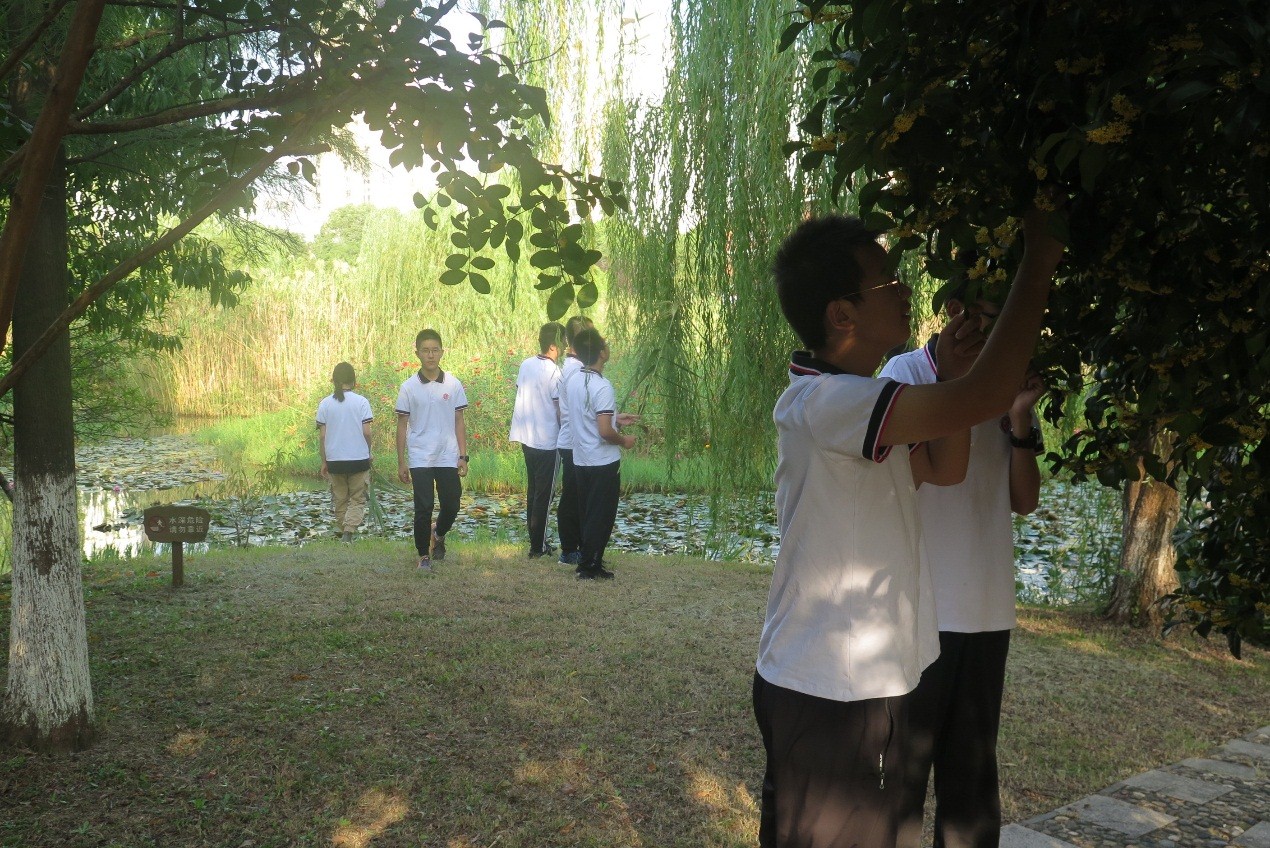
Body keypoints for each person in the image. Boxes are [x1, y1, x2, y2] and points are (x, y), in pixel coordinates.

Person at [753, 207, 1064, 848]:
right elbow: (986, 397)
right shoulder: (826, 404)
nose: (906, 295)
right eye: (890, 286)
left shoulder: (862, 400)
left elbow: (945, 469)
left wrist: (947, 377)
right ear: (843, 315)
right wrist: (1038, 262)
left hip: (870, 682)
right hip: (827, 690)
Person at [879, 297, 1045, 848]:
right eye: (973, 308)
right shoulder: (902, 375)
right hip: (917, 610)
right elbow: (899, 482)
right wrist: (950, 384)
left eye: (999, 310)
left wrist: (1019, 417)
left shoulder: (1006, 384)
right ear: (951, 307)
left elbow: (1023, 499)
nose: (986, 323)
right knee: (899, 781)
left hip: (986, 607)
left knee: (971, 784)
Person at [564, 327, 638, 580]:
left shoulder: (573, 380)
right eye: (605, 345)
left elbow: (587, 415)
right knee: (601, 514)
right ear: (602, 353)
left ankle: (587, 558)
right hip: (602, 461)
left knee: (587, 511)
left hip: (581, 459)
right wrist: (624, 440)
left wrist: (617, 417)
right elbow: (605, 431)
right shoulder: (602, 386)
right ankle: (590, 566)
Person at [396, 329, 469, 570]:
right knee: (423, 506)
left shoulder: (453, 383)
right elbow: (402, 424)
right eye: (425, 350)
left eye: (435, 350)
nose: (430, 355)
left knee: (452, 503)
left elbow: (459, 420)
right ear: (417, 353)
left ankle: (437, 533)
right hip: (420, 455)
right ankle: (423, 556)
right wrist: (401, 461)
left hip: (447, 454)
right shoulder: (408, 387)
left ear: (442, 352)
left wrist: (462, 455)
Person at [509, 322, 565, 558]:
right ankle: (537, 546)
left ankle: (536, 540)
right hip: (548, 442)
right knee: (545, 494)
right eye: (562, 343)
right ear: (553, 346)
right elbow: (559, 409)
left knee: (534, 492)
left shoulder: (526, 364)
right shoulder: (554, 372)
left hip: (526, 438)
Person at [316, 361, 374, 543]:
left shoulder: (325, 404)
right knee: (357, 499)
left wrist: (324, 461)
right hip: (359, 459)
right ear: (353, 380)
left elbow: (322, 437)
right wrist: (369, 451)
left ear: (334, 380)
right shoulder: (362, 402)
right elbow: (366, 432)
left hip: (335, 460)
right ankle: (348, 532)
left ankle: (345, 533)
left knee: (340, 499)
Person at [554, 315, 594, 566]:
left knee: (580, 496)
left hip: (575, 438)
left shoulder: (577, 368)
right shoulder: (573, 369)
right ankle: (569, 549)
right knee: (571, 497)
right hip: (572, 441)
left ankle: (578, 546)